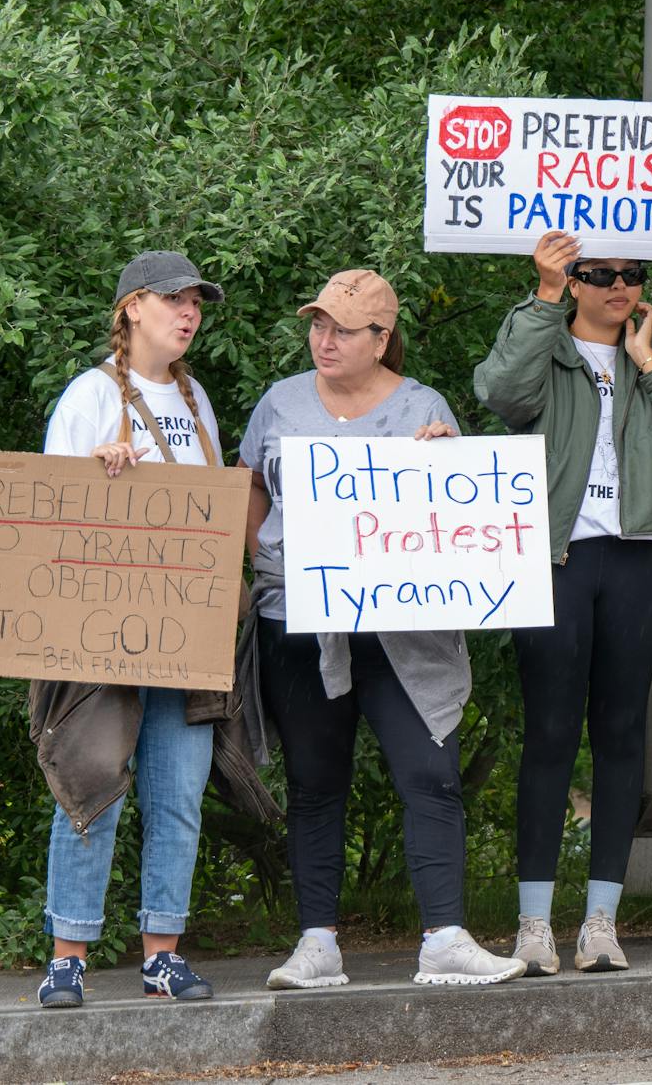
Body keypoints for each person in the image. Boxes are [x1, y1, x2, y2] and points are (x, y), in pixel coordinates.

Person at [243, 270, 525, 989]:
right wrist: (264, 565)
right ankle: (316, 947)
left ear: (381, 339)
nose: (324, 340)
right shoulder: (279, 403)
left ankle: (446, 938)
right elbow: (248, 488)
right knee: (314, 782)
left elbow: (461, 517)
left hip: (406, 629)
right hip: (299, 621)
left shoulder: (423, 407)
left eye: (342, 329)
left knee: (430, 775)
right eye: (317, 324)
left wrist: (447, 458)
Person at [474, 232, 652, 975]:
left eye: (632, 274)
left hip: (639, 560)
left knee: (622, 733)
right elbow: (500, 392)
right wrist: (543, 299)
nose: (620, 285)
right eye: (601, 274)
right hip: (555, 558)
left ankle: (601, 923)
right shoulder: (545, 348)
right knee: (551, 732)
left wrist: (648, 360)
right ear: (576, 281)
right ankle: (531, 926)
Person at [32, 250, 229, 1008]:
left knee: (178, 794)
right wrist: (96, 466)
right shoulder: (88, 395)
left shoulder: (195, 398)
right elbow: (48, 508)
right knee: (91, 789)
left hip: (183, 632)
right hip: (101, 633)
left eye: (196, 303)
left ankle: (162, 955)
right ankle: (68, 957)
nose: (190, 312)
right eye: (174, 299)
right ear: (132, 309)